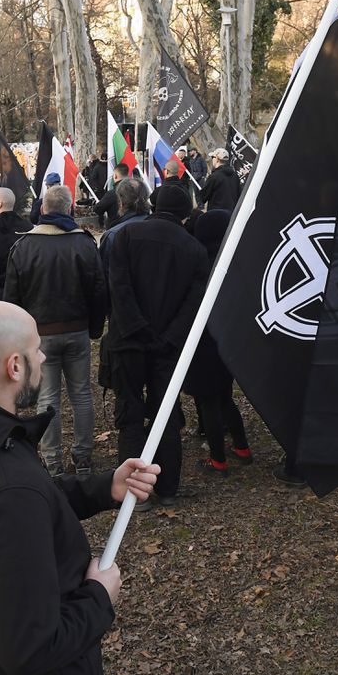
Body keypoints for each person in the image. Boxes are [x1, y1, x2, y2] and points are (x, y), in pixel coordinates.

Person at [0, 301, 160, 675]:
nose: (42, 356)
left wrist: (105, 487)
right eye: (36, 348)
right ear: (15, 366)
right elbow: (30, 650)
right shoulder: (4, 490)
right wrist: (98, 598)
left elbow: (33, 500)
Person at [105, 185, 208, 508]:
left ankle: (136, 493)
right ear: (185, 213)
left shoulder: (127, 237)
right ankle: (167, 488)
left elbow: (118, 288)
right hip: (165, 346)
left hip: (131, 343)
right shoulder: (193, 248)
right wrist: (166, 337)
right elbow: (194, 302)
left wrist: (138, 329)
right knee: (165, 413)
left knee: (132, 412)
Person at [4, 186, 108, 477]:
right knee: (80, 394)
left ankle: (53, 462)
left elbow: (12, 297)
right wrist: (95, 326)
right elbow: (98, 290)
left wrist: (17, 336)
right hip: (74, 330)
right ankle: (82, 457)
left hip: (41, 335)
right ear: (69, 209)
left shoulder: (24, 247)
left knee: (48, 397)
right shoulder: (84, 244)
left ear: (44, 209)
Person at [184, 209, 252, 475]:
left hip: (203, 343)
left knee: (209, 401)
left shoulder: (198, 262)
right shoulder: (233, 262)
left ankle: (218, 458)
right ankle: (242, 446)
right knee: (224, 397)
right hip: (228, 341)